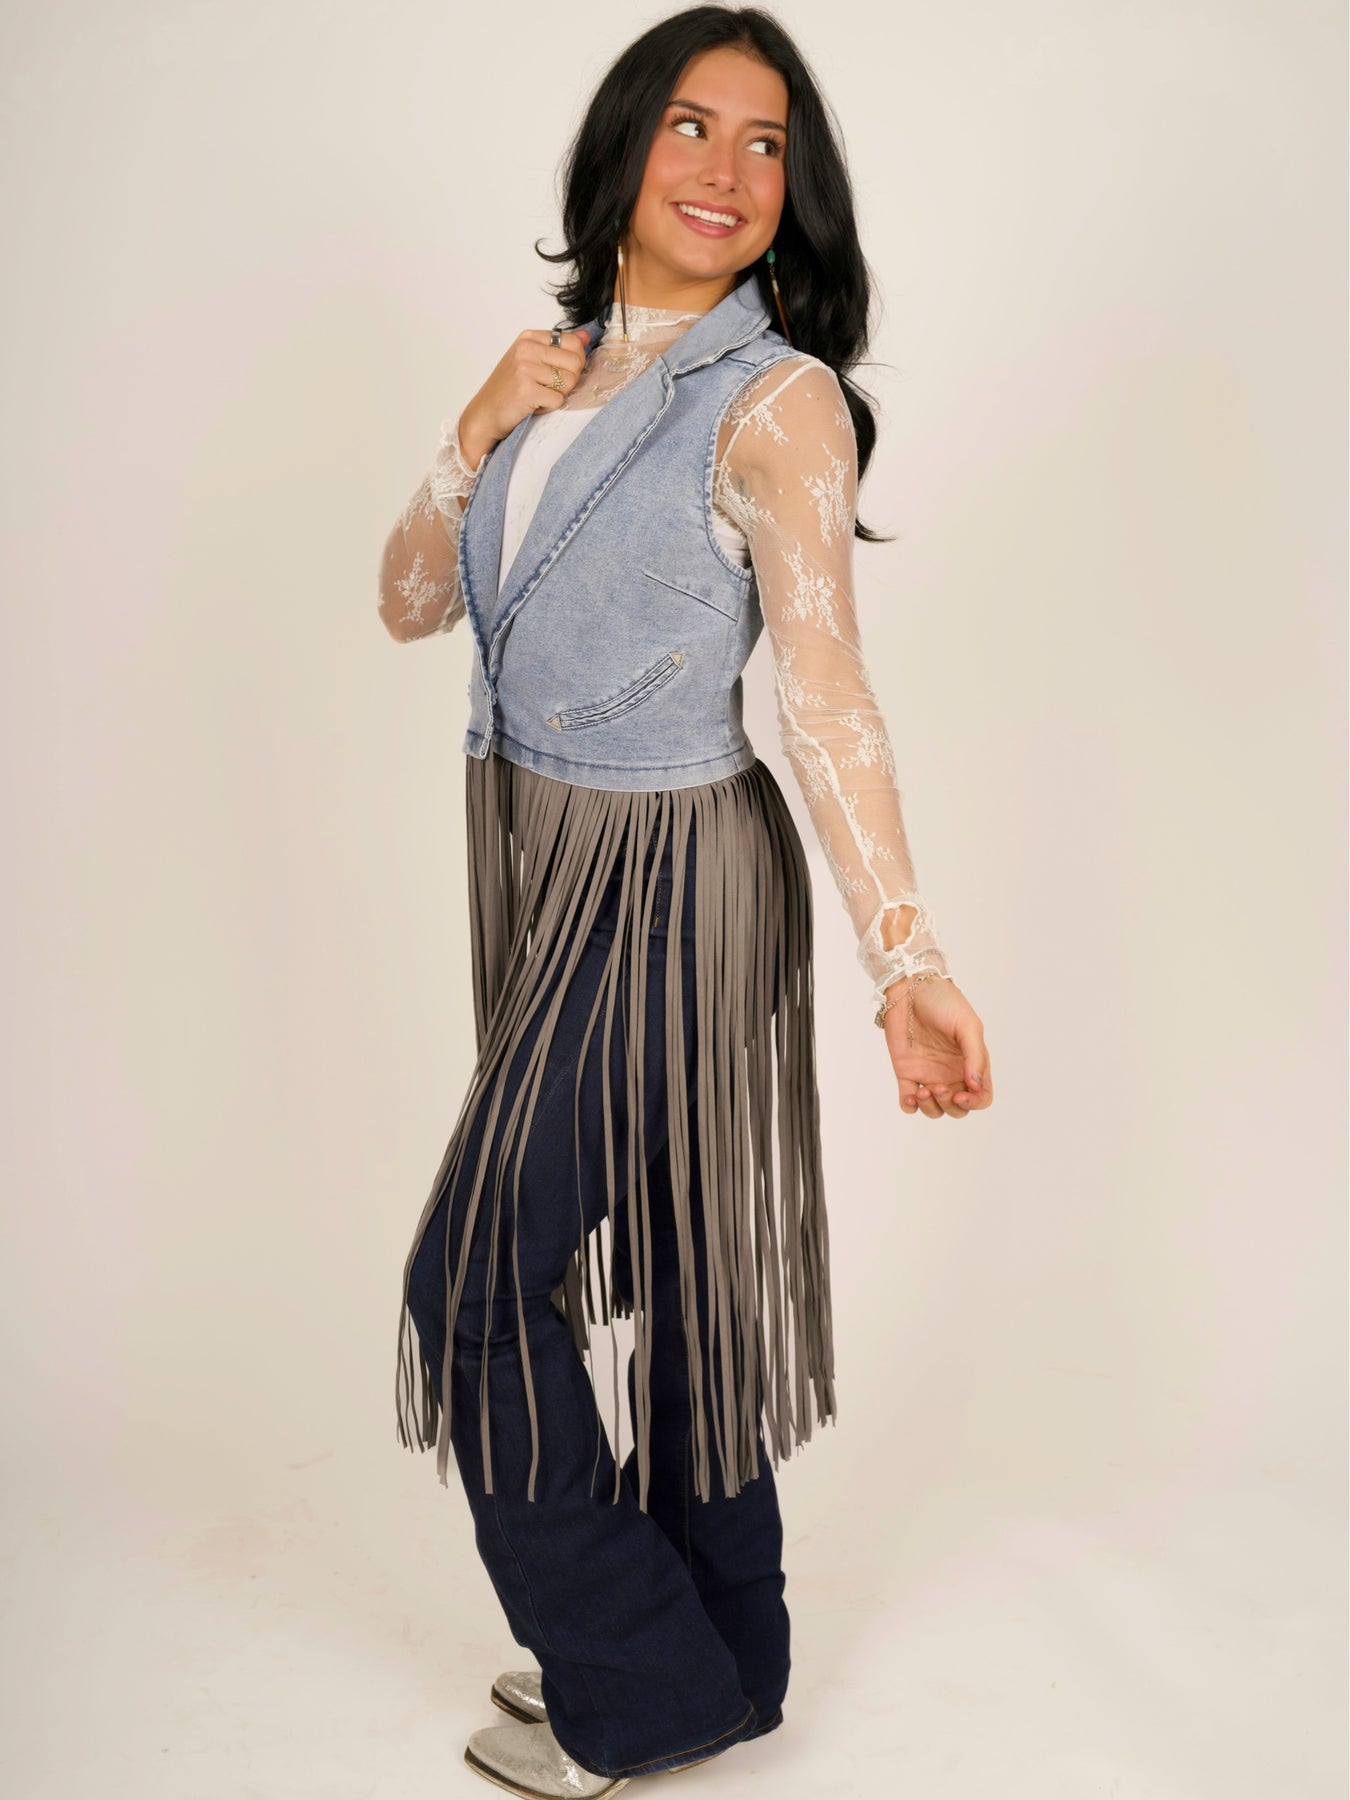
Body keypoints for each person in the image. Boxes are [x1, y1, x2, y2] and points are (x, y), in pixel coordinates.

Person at [377, 7, 993, 1794]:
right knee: (675, 1265)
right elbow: (409, 604)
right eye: (692, 127)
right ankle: (724, 1654)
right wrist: (476, 423)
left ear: (796, 187)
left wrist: (903, 956)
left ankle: (635, 1684)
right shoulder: (556, 370)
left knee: (472, 1280)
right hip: (542, 858)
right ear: (624, 147)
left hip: (672, 880)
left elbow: (825, 694)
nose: (727, 170)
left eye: (766, 142)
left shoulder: (776, 400)